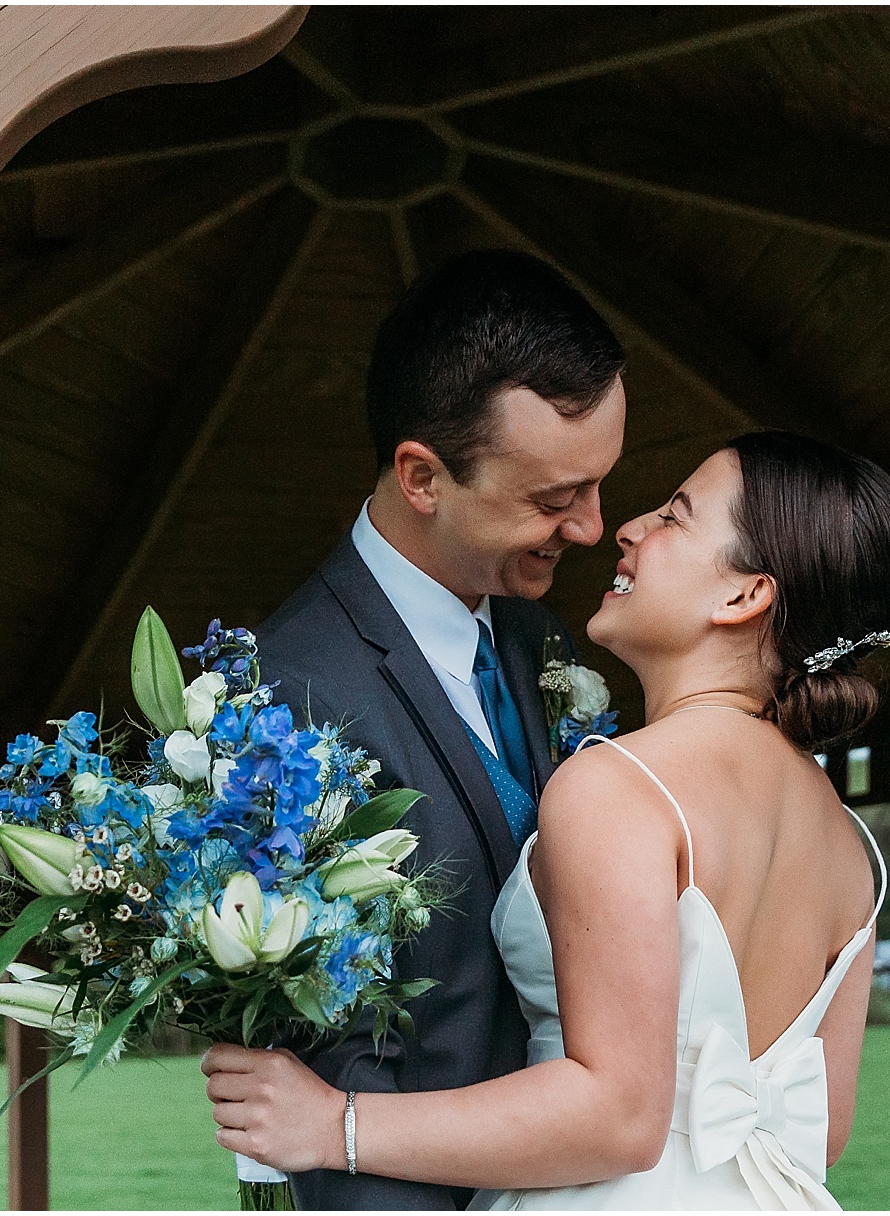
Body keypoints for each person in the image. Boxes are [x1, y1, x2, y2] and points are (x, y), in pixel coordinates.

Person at [208, 430, 890, 1210]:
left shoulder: (620, 786)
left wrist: (333, 1125)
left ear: (743, 596)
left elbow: (618, 1118)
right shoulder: (846, 842)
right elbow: (822, 1130)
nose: (629, 528)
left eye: (675, 516)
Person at [250, 248, 627, 1210]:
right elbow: (329, 1053)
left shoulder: (538, 640)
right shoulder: (280, 699)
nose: (593, 528)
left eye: (599, 485)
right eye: (554, 499)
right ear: (423, 477)